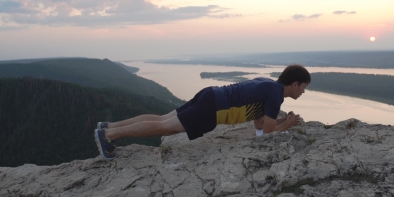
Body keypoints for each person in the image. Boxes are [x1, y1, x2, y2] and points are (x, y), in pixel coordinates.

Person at [94, 64, 311, 159]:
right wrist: (288, 124)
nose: (303, 92)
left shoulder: (269, 85)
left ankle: (109, 126)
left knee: (163, 120)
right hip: (214, 107)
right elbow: (267, 133)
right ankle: (109, 135)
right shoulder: (275, 94)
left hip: (211, 95)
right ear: (294, 83)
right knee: (165, 127)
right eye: (303, 87)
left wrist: (281, 119)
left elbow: (259, 124)